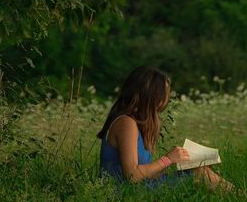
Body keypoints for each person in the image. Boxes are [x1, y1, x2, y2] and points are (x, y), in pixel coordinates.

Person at [97, 66, 235, 192]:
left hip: (136, 189)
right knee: (198, 173)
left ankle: (238, 196)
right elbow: (132, 176)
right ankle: (239, 197)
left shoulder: (135, 124)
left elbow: (145, 174)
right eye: (164, 93)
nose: (166, 100)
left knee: (199, 168)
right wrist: (167, 159)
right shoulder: (126, 123)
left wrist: (175, 162)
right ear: (151, 94)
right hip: (121, 193)